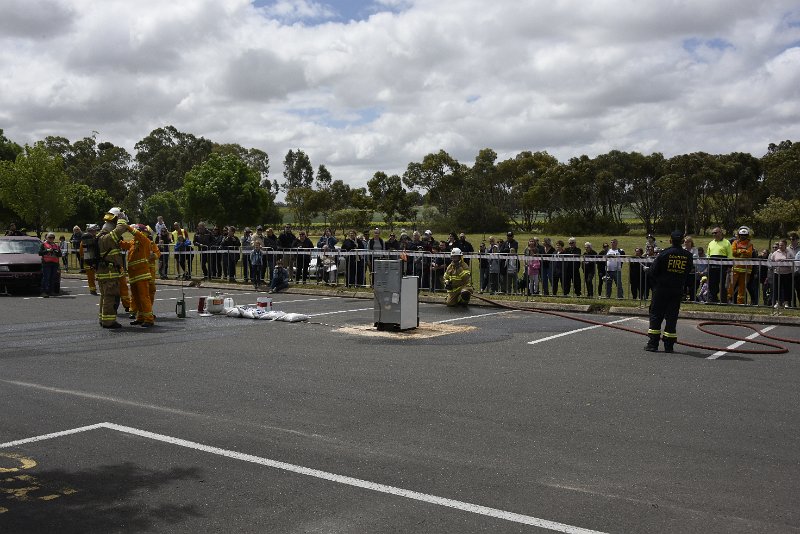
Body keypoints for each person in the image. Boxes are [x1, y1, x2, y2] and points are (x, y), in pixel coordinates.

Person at [645, 230, 694, 353]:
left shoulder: (664, 254)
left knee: (656, 315)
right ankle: (669, 345)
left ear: (670, 240)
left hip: (661, 289)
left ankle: (653, 344)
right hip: (677, 290)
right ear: (683, 241)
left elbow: (653, 271)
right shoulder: (688, 256)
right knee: (672, 317)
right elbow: (688, 271)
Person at [96, 207, 131, 329]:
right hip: (109, 272)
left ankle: (103, 319)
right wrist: (122, 219)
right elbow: (121, 229)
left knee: (105, 296)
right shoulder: (107, 238)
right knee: (110, 296)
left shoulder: (101, 237)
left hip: (105, 271)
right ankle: (108, 322)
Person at [122, 224, 156, 327]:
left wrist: (127, 227)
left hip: (142, 275)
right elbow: (124, 245)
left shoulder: (144, 240)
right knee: (137, 299)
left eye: (136, 230)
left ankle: (149, 319)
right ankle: (140, 318)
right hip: (133, 276)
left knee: (144, 297)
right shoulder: (134, 242)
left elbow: (136, 234)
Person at [728, 226, 754, 304]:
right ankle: (728, 299)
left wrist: (739, 251)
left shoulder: (749, 244)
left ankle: (740, 302)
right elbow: (733, 252)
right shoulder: (735, 242)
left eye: (745, 235)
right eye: (741, 235)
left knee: (742, 287)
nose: (743, 236)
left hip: (746, 269)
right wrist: (743, 251)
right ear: (739, 235)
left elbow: (749, 254)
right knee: (731, 284)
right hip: (736, 268)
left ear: (747, 235)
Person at [706, 227, 732, 303]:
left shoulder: (727, 242)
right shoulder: (711, 243)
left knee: (723, 285)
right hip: (712, 267)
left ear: (721, 233)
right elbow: (708, 255)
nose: (714, 234)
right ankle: (713, 299)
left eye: (716, 233)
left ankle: (723, 300)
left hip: (723, 267)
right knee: (712, 283)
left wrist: (730, 267)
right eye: (713, 233)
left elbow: (730, 255)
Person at [769, 239, 793, 309]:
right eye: (779, 245)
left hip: (787, 273)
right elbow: (771, 262)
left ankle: (786, 303)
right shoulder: (775, 253)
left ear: (785, 245)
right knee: (777, 288)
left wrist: (786, 261)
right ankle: (777, 302)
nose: (780, 246)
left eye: (782, 245)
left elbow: (793, 261)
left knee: (787, 288)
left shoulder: (789, 252)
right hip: (777, 273)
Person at [38, 232, 61, 297]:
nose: (51, 239)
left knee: (52, 278)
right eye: (50, 237)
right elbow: (40, 253)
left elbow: (60, 254)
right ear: (46, 238)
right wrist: (47, 250)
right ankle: (43, 292)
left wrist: (57, 252)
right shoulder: (43, 244)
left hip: (55, 263)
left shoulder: (56, 245)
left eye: (53, 237)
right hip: (46, 263)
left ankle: (51, 291)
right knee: (46, 278)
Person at [80, 224, 100, 295]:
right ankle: (92, 289)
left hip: (91, 261)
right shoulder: (86, 241)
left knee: (93, 276)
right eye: (94, 231)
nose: (95, 232)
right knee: (91, 277)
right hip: (90, 261)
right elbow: (82, 251)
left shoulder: (96, 239)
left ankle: (93, 289)